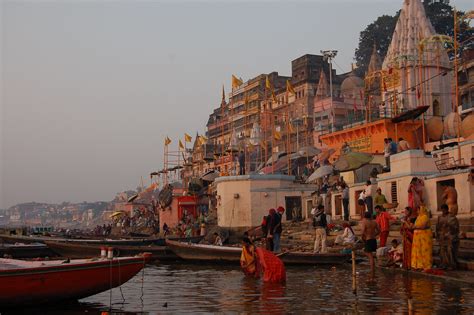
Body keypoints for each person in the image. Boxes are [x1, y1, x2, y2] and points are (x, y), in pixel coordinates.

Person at [436, 204, 460, 270]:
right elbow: (437, 227)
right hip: (442, 237)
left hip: (450, 237)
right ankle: (444, 264)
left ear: (447, 210)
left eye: (444, 210)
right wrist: (438, 235)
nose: (443, 211)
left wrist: (448, 226)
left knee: (450, 251)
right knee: (442, 251)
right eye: (442, 210)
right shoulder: (440, 217)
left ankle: (452, 265)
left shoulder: (452, 217)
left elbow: (455, 228)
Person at [411, 206, 433, 271]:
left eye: (418, 210)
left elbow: (423, 226)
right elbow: (414, 226)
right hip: (418, 238)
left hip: (425, 238)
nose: (417, 211)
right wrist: (415, 227)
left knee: (425, 252)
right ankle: (419, 266)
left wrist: (415, 227)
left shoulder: (425, 217)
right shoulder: (418, 217)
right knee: (419, 252)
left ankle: (426, 266)